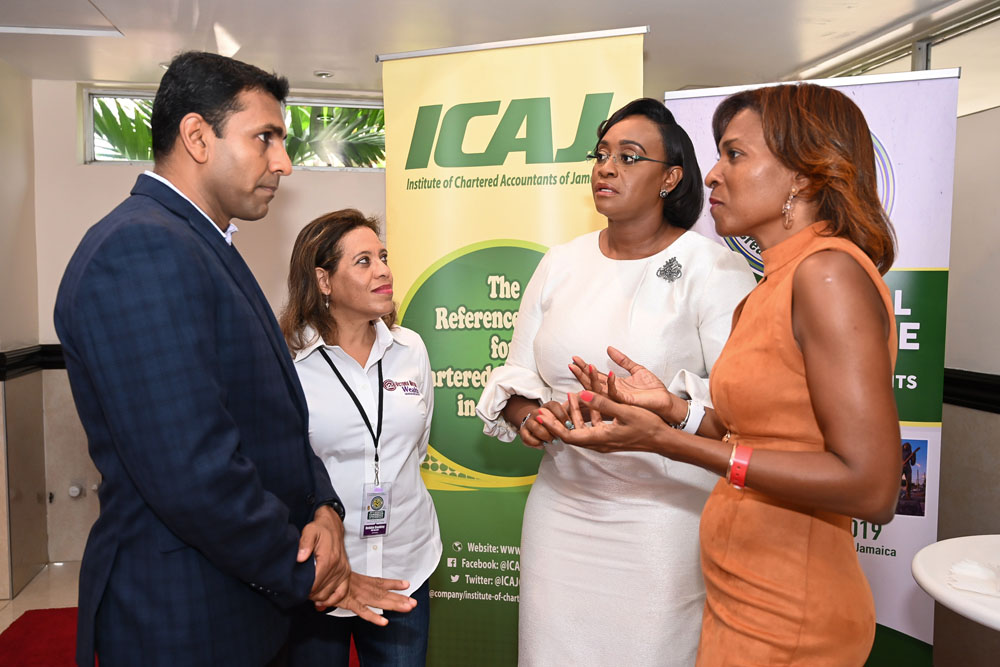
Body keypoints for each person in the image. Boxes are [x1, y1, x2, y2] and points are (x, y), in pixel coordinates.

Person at [54, 52, 413, 667]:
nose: (284, 162)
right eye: (265, 138)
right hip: (184, 616)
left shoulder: (199, 243)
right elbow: (192, 470)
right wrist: (309, 572)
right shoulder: (141, 249)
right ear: (198, 137)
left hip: (234, 602)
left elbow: (271, 421)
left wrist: (322, 507)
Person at [541, 83, 901, 666]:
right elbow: (764, 437)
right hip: (740, 592)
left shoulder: (827, 276)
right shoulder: (775, 283)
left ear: (803, 175)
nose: (711, 175)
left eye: (734, 155)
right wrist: (674, 411)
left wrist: (667, 443)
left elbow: (871, 487)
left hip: (791, 611)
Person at [476, 98, 757, 665]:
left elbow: (740, 411)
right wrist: (533, 417)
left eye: (628, 157)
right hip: (562, 510)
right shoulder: (560, 263)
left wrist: (663, 409)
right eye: (601, 154)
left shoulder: (714, 268)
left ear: (670, 178)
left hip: (664, 518)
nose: (606, 167)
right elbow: (518, 376)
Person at [279, 210, 441, 666]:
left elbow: (415, 449)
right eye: (364, 261)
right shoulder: (287, 361)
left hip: (404, 564)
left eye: (383, 257)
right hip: (320, 571)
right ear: (323, 281)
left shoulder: (410, 349)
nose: (384, 271)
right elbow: (280, 469)